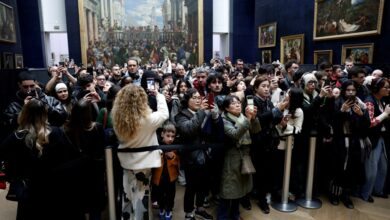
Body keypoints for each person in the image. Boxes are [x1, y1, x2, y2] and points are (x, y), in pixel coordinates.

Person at [0, 99, 82, 220]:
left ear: (24, 114)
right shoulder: (56, 132)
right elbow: (73, 158)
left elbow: (4, 157)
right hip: (55, 190)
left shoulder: (16, 137)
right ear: (45, 114)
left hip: (29, 191)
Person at [112, 84, 169, 220]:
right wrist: (159, 95)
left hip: (126, 163)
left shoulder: (117, 119)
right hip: (144, 166)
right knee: (142, 199)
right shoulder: (148, 120)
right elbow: (164, 113)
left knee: (127, 197)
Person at [175, 88, 218, 220]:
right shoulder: (181, 115)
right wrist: (201, 112)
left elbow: (214, 132)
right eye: (193, 97)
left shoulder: (205, 112)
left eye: (199, 97)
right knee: (191, 187)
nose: (197, 100)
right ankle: (188, 213)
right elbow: (188, 130)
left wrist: (215, 116)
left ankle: (200, 208)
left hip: (206, 154)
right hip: (191, 157)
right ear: (186, 100)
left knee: (204, 185)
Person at [218, 95, 261, 220]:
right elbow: (234, 134)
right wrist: (247, 119)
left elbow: (256, 130)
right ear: (226, 108)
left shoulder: (242, 117)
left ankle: (235, 215)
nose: (237, 105)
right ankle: (223, 216)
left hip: (245, 155)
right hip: (231, 157)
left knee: (240, 189)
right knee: (229, 189)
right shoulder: (224, 120)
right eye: (233, 103)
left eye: (238, 102)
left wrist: (253, 118)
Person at [330, 80, 370, 209]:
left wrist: (361, 114)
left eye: (353, 90)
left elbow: (367, 125)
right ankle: (335, 194)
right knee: (338, 168)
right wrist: (342, 111)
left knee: (352, 169)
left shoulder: (361, 104)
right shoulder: (337, 102)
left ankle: (346, 196)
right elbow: (334, 125)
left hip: (356, 141)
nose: (351, 92)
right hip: (341, 141)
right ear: (344, 90)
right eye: (348, 90)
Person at [64, 99, 107, 219]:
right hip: (94, 173)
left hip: (75, 174)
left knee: (78, 207)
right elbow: (103, 149)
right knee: (95, 208)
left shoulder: (66, 129)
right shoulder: (97, 128)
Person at [361, 77, 390, 202]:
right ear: (377, 88)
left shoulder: (381, 101)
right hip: (371, 138)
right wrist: (385, 114)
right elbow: (369, 123)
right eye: (386, 87)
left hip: (381, 137)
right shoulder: (369, 102)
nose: (388, 90)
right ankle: (365, 194)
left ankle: (377, 190)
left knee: (383, 167)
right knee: (371, 168)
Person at [152, 122, 180, 220]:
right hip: (158, 176)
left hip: (171, 177)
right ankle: (161, 209)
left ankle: (168, 210)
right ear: (162, 134)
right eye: (168, 136)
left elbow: (178, 163)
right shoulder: (156, 145)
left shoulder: (175, 146)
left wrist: (173, 157)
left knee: (170, 195)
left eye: (173, 136)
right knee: (159, 194)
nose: (170, 139)